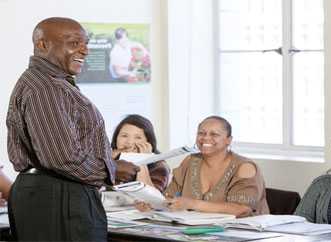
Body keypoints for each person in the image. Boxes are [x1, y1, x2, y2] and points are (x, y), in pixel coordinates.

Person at [6, 17, 140, 241]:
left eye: (85, 43)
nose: (85, 50)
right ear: (43, 45)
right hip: (59, 196)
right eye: (74, 43)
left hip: (54, 194)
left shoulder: (49, 83)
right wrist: (112, 169)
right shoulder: (45, 88)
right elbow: (62, 158)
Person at [137, 115, 269, 217]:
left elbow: (242, 209)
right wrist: (153, 205)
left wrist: (193, 204)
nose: (205, 138)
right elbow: (169, 197)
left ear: (229, 140)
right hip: (196, 233)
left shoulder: (245, 167)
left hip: (245, 235)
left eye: (214, 134)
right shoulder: (190, 161)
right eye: (201, 133)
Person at [111, 114, 170, 192]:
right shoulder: (109, 158)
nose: (129, 142)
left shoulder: (158, 165)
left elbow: (150, 197)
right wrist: (108, 160)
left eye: (138, 137)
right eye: (124, 136)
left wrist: (143, 160)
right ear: (116, 138)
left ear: (148, 142)